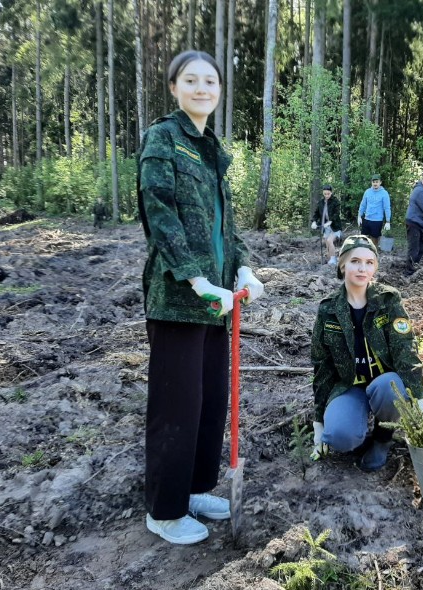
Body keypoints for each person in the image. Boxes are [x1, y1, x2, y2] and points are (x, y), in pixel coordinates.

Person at [137, 50, 265, 545]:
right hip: (178, 299)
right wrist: (195, 279)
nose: (201, 88)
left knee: (210, 400)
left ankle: (192, 490)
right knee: (177, 404)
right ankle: (163, 509)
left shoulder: (213, 149)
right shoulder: (163, 139)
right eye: (190, 80)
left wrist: (244, 269)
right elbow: (160, 214)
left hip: (218, 302)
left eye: (209, 81)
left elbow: (225, 229)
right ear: (173, 87)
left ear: (219, 90)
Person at [310, 235, 423, 471]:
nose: (362, 268)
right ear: (343, 265)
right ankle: (356, 433)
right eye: (355, 261)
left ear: (375, 267)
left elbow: (405, 348)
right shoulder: (328, 310)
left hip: (384, 383)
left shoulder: (388, 300)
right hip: (350, 385)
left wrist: (420, 398)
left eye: (369, 263)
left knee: (389, 387)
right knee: (339, 436)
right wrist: (318, 420)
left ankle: (382, 438)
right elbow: (322, 365)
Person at [311, 184, 342, 265]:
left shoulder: (335, 202)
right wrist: (314, 221)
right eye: (325, 194)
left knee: (329, 240)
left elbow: (336, 213)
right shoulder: (321, 202)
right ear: (323, 193)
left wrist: (330, 221)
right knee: (326, 242)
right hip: (326, 227)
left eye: (328, 194)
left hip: (335, 227)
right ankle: (329, 258)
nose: (326, 195)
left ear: (331, 193)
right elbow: (316, 213)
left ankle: (333, 259)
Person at [358, 174, 391, 246]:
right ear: (371, 182)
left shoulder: (384, 193)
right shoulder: (367, 192)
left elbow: (387, 207)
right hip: (367, 219)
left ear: (380, 182)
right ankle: (364, 254)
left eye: (376, 182)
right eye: (373, 182)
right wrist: (359, 216)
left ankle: (373, 254)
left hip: (377, 220)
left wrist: (388, 221)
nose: (375, 183)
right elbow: (363, 204)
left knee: (374, 240)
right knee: (363, 239)